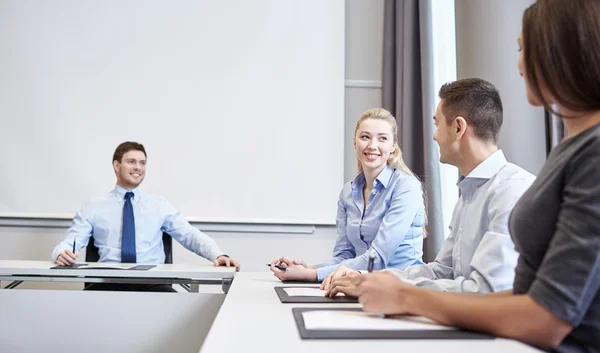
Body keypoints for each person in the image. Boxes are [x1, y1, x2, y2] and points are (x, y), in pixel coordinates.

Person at [327, 0, 600, 351]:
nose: (518, 63)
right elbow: (505, 290)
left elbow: (547, 317)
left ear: (556, 52)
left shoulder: (588, 154)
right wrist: (377, 284)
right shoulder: (571, 148)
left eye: (523, 48)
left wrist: (406, 297)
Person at [322, 78, 535, 293]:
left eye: (437, 124)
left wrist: (394, 291)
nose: (434, 136)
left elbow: (484, 291)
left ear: (459, 128)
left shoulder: (510, 191)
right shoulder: (469, 194)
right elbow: (440, 271)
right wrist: (366, 279)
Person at [52, 141, 240, 292]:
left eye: (142, 163)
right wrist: (62, 253)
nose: (138, 167)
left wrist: (218, 254)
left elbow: (190, 235)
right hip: (107, 283)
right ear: (116, 165)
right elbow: (72, 240)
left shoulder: (159, 205)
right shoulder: (93, 207)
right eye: (131, 161)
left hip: (153, 283)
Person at [269, 108, 425, 282]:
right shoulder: (348, 193)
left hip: (403, 287)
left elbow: (378, 258)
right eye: (365, 137)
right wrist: (307, 268)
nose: (372, 145)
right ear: (355, 143)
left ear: (393, 147)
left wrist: (311, 275)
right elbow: (344, 256)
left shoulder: (406, 187)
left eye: (382, 138)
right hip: (361, 285)